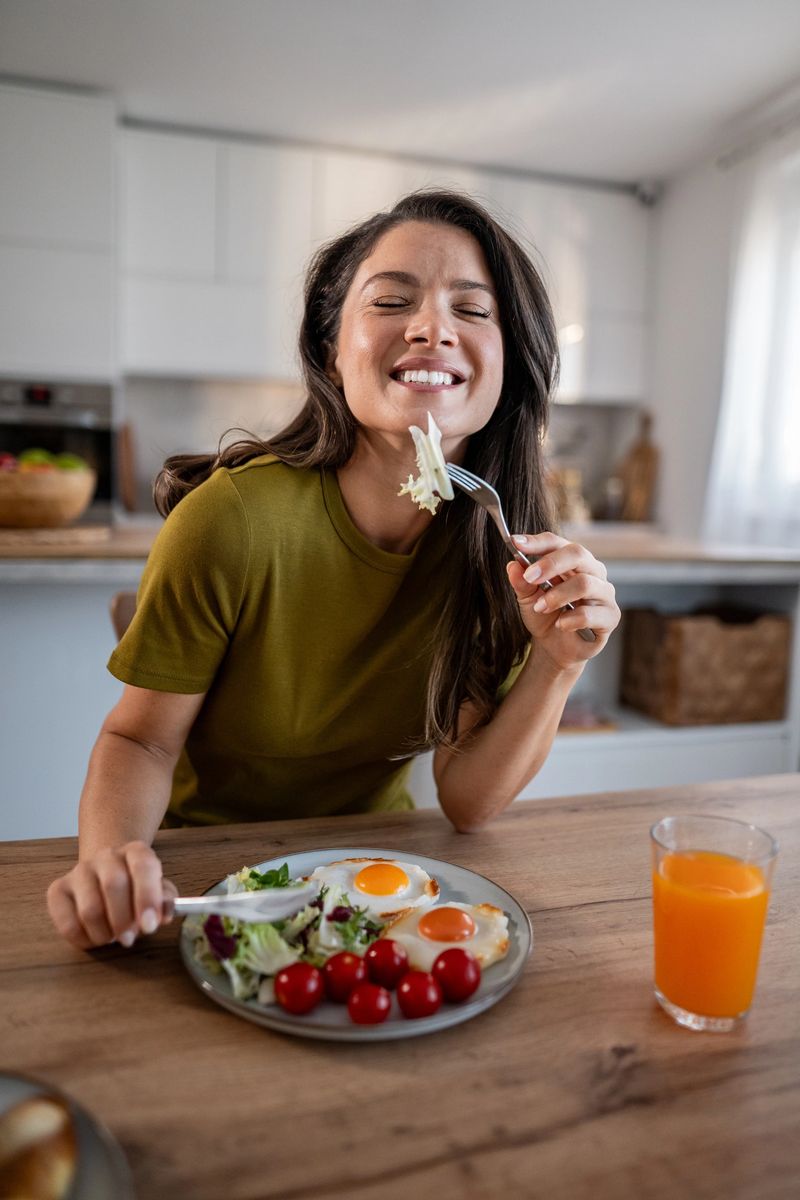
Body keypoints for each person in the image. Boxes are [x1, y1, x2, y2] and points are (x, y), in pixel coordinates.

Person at [47, 189, 620, 951]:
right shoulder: (233, 521)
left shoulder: (494, 549)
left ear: (508, 365)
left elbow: (469, 803)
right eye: (391, 300)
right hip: (210, 878)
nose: (430, 328)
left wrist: (557, 663)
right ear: (332, 350)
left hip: (376, 875)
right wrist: (113, 864)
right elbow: (142, 741)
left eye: (473, 311)